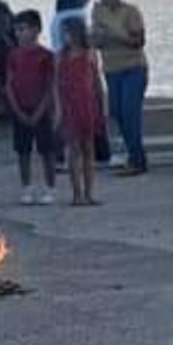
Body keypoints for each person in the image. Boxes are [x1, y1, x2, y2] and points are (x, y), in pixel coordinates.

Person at [91, 0, 149, 176]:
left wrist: (114, 35)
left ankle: (137, 159)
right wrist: (101, 37)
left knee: (129, 111)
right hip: (111, 69)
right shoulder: (98, 12)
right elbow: (96, 40)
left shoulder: (131, 12)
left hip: (133, 67)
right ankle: (133, 153)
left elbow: (138, 41)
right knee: (116, 112)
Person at [4, 11, 58, 206]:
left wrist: (42, 110)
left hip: (41, 109)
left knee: (47, 150)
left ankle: (50, 187)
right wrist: (16, 109)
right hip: (20, 107)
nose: (18, 33)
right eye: (16, 30)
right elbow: (9, 84)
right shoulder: (13, 55)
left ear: (36, 30)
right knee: (23, 151)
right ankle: (26, 187)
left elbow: (49, 86)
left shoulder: (46, 56)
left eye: (22, 29)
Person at [55, 18, 105, 207]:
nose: (67, 36)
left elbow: (97, 82)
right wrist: (58, 109)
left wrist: (102, 107)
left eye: (69, 32)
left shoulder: (90, 54)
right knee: (73, 150)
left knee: (88, 150)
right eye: (65, 33)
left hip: (88, 105)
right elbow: (56, 85)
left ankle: (89, 193)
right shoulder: (61, 56)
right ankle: (77, 194)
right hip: (70, 106)